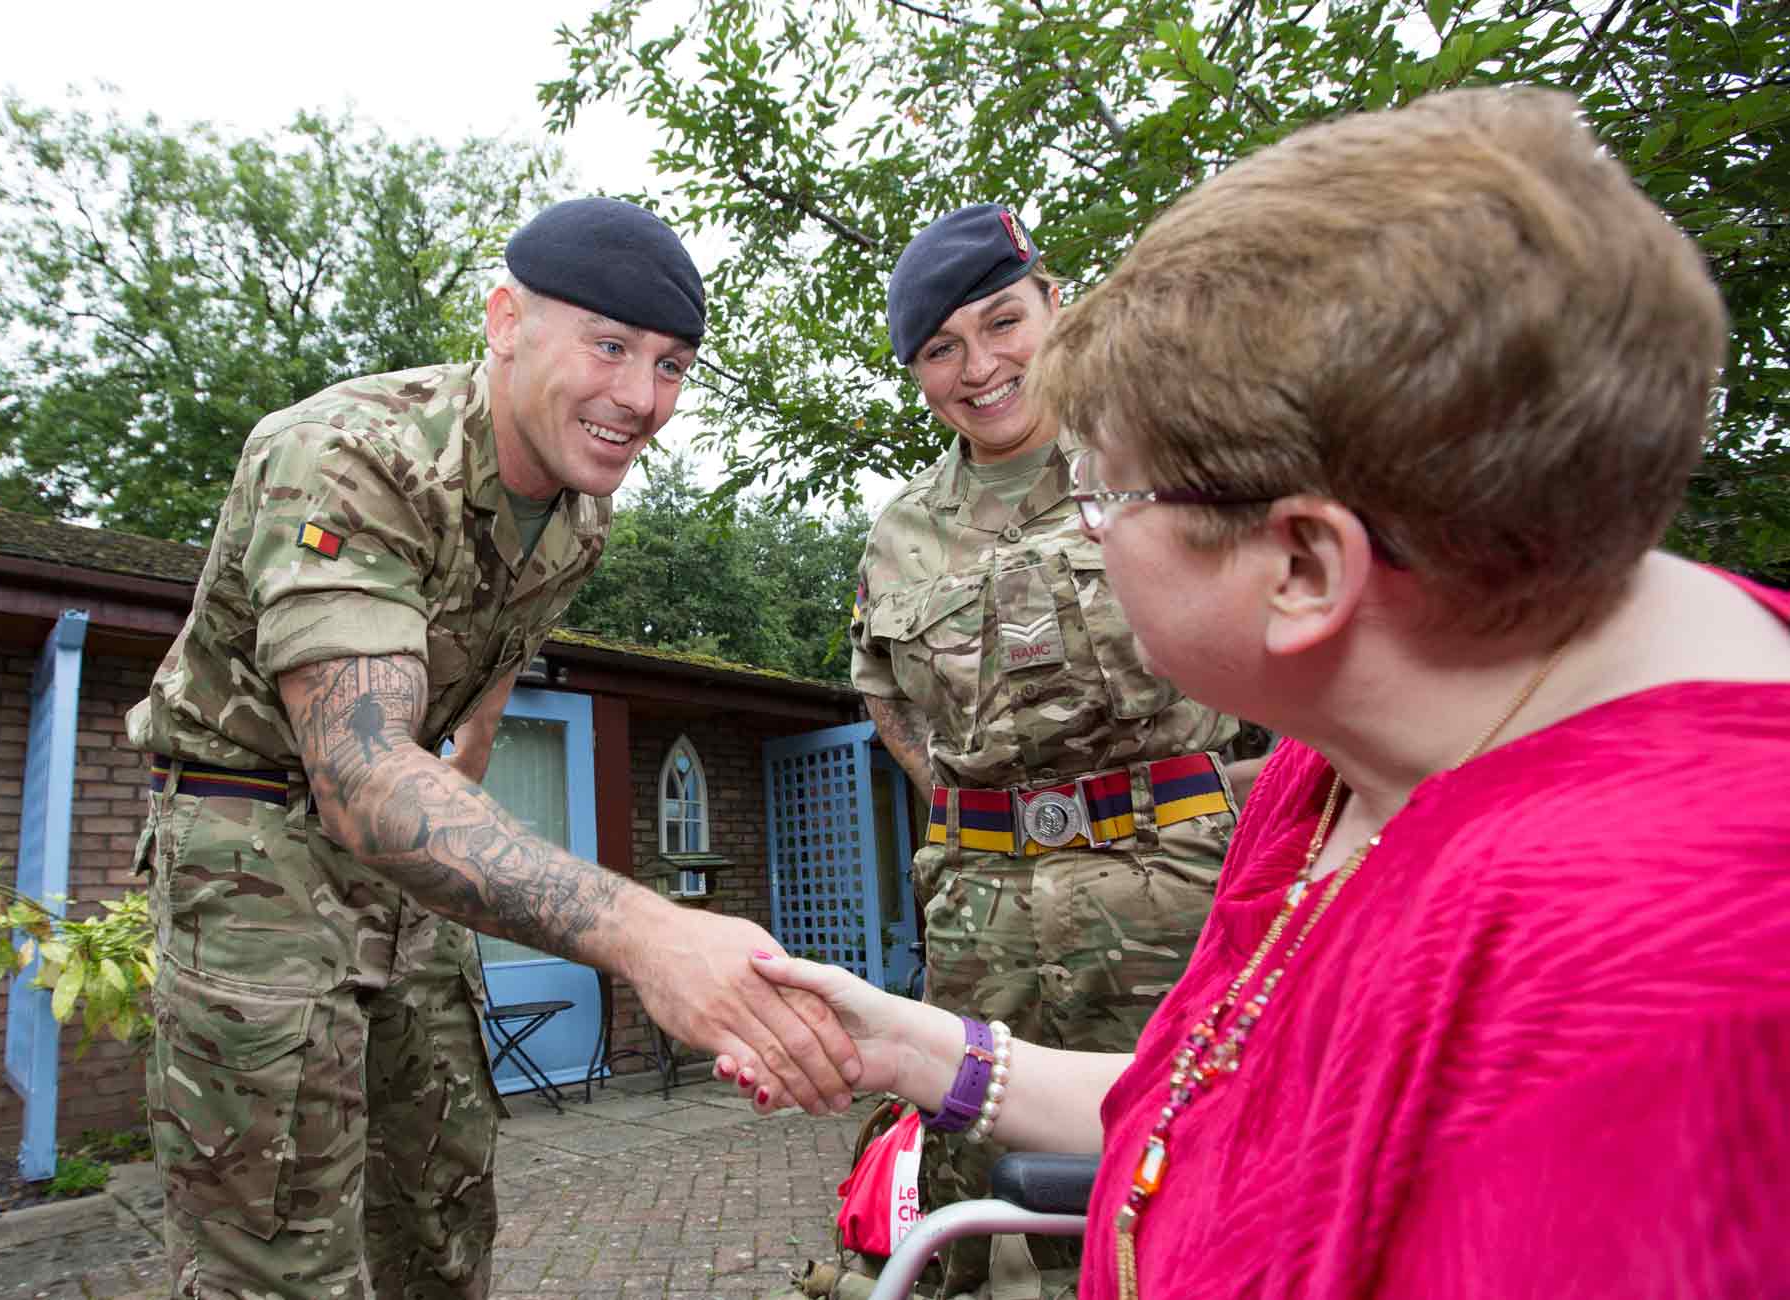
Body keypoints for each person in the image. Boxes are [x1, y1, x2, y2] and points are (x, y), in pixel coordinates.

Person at [733, 87, 1790, 1297]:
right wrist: (921, 1046)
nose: (1081, 529)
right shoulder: (1330, 781)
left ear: (1302, 566)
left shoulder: (1656, 987)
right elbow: (1209, 1104)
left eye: (1105, 497)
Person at [126, 197, 858, 1300]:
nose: (640, 398)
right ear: (505, 319)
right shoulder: (341, 455)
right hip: (252, 839)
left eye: (670, 365)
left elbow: (492, 646)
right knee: (272, 1242)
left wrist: (460, 767)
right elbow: (362, 773)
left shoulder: (579, 512)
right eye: (609, 346)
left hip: (401, 854)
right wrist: (647, 935)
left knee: (442, 1197)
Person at [849, 203, 1256, 1297]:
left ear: (1053, 306)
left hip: (1165, 896)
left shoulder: (1167, 462)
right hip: (979, 915)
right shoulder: (899, 532)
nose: (978, 366)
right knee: (951, 1221)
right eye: (940, 349)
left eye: (1001, 322)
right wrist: (980, 825)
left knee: (1164, 1196)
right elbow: (890, 701)